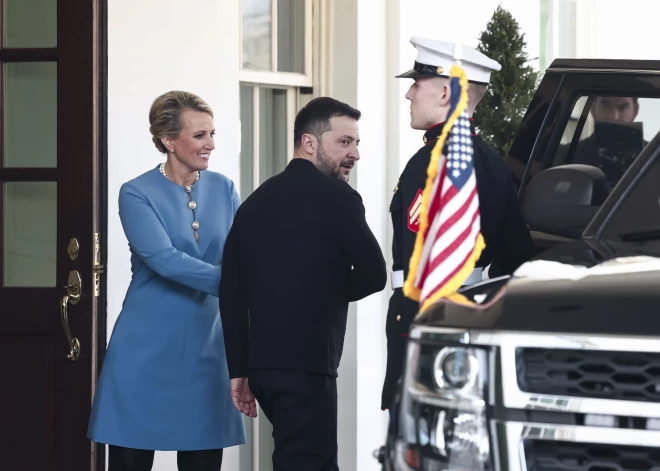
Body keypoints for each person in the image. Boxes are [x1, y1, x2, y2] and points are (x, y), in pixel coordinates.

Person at [219, 97, 387, 471]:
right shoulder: (340, 198)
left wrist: (239, 370)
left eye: (356, 143)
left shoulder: (254, 203)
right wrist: (323, 290)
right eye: (345, 142)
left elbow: (231, 292)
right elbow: (375, 274)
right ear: (309, 143)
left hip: (262, 368)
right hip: (308, 366)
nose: (355, 153)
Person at [88, 91, 245, 471]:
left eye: (212, 133)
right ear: (168, 141)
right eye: (199, 135)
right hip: (143, 353)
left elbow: (241, 257)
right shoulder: (136, 192)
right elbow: (163, 260)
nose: (210, 144)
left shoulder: (224, 188)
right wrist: (237, 286)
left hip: (207, 352)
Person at [380, 37, 535, 413]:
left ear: (447, 92)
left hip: (430, 319)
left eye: (417, 84)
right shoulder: (492, 161)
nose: (409, 95)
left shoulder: (433, 162)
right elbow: (517, 255)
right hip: (474, 314)